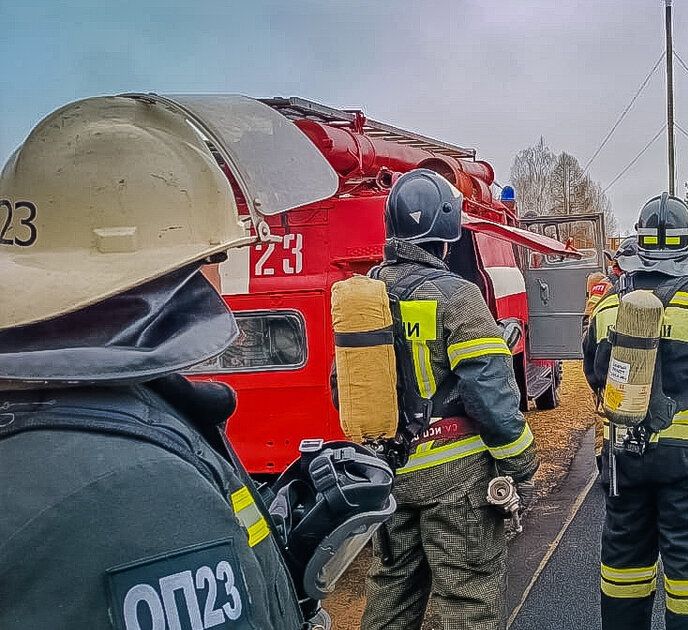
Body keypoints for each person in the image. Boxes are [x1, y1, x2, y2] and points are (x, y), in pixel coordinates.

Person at [0, 97, 315, 628]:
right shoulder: (138, 488)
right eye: (216, 256)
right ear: (178, 266)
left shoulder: (49, 412)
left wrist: (266, 556)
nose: (220, 278)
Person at [346, 169, 540, 630]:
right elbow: (491, 397)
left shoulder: (366, 299)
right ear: (449, 237)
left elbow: (347, 385)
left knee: (391, 597)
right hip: (457, 481)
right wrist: (521, 464)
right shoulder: (458, 297)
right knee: (468, 601)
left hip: (390, 475)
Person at [584, 193, 688, 630]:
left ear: (639, 241)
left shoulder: (608, 304)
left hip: (623, 453)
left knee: (623, 561)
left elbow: (596, 374)